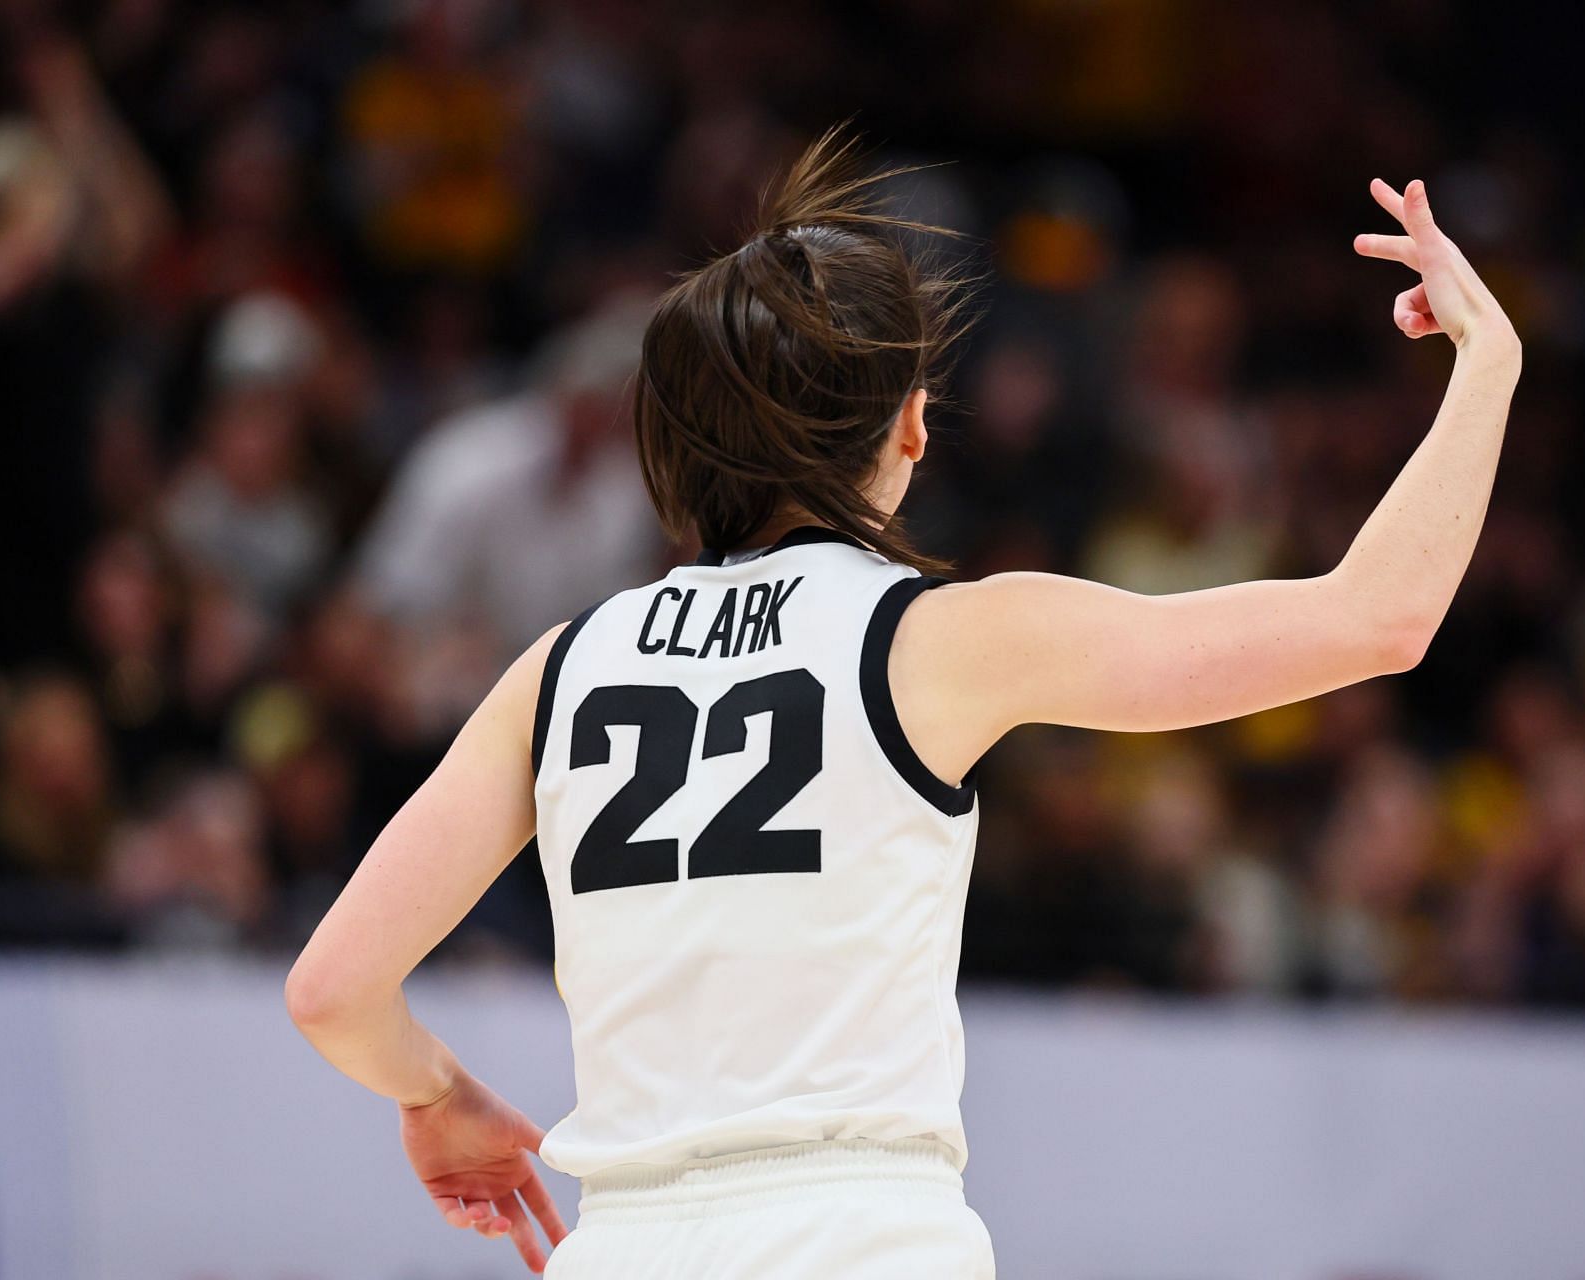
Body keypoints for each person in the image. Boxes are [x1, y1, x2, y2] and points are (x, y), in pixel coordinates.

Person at [284, 130, 1520, 1277]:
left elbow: (333, 989)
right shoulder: (939, 637)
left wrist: (437, 1093)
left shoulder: (560, 667)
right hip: (863, 1237)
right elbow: (1379, 617)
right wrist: (1489, 362)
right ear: (912, 430)